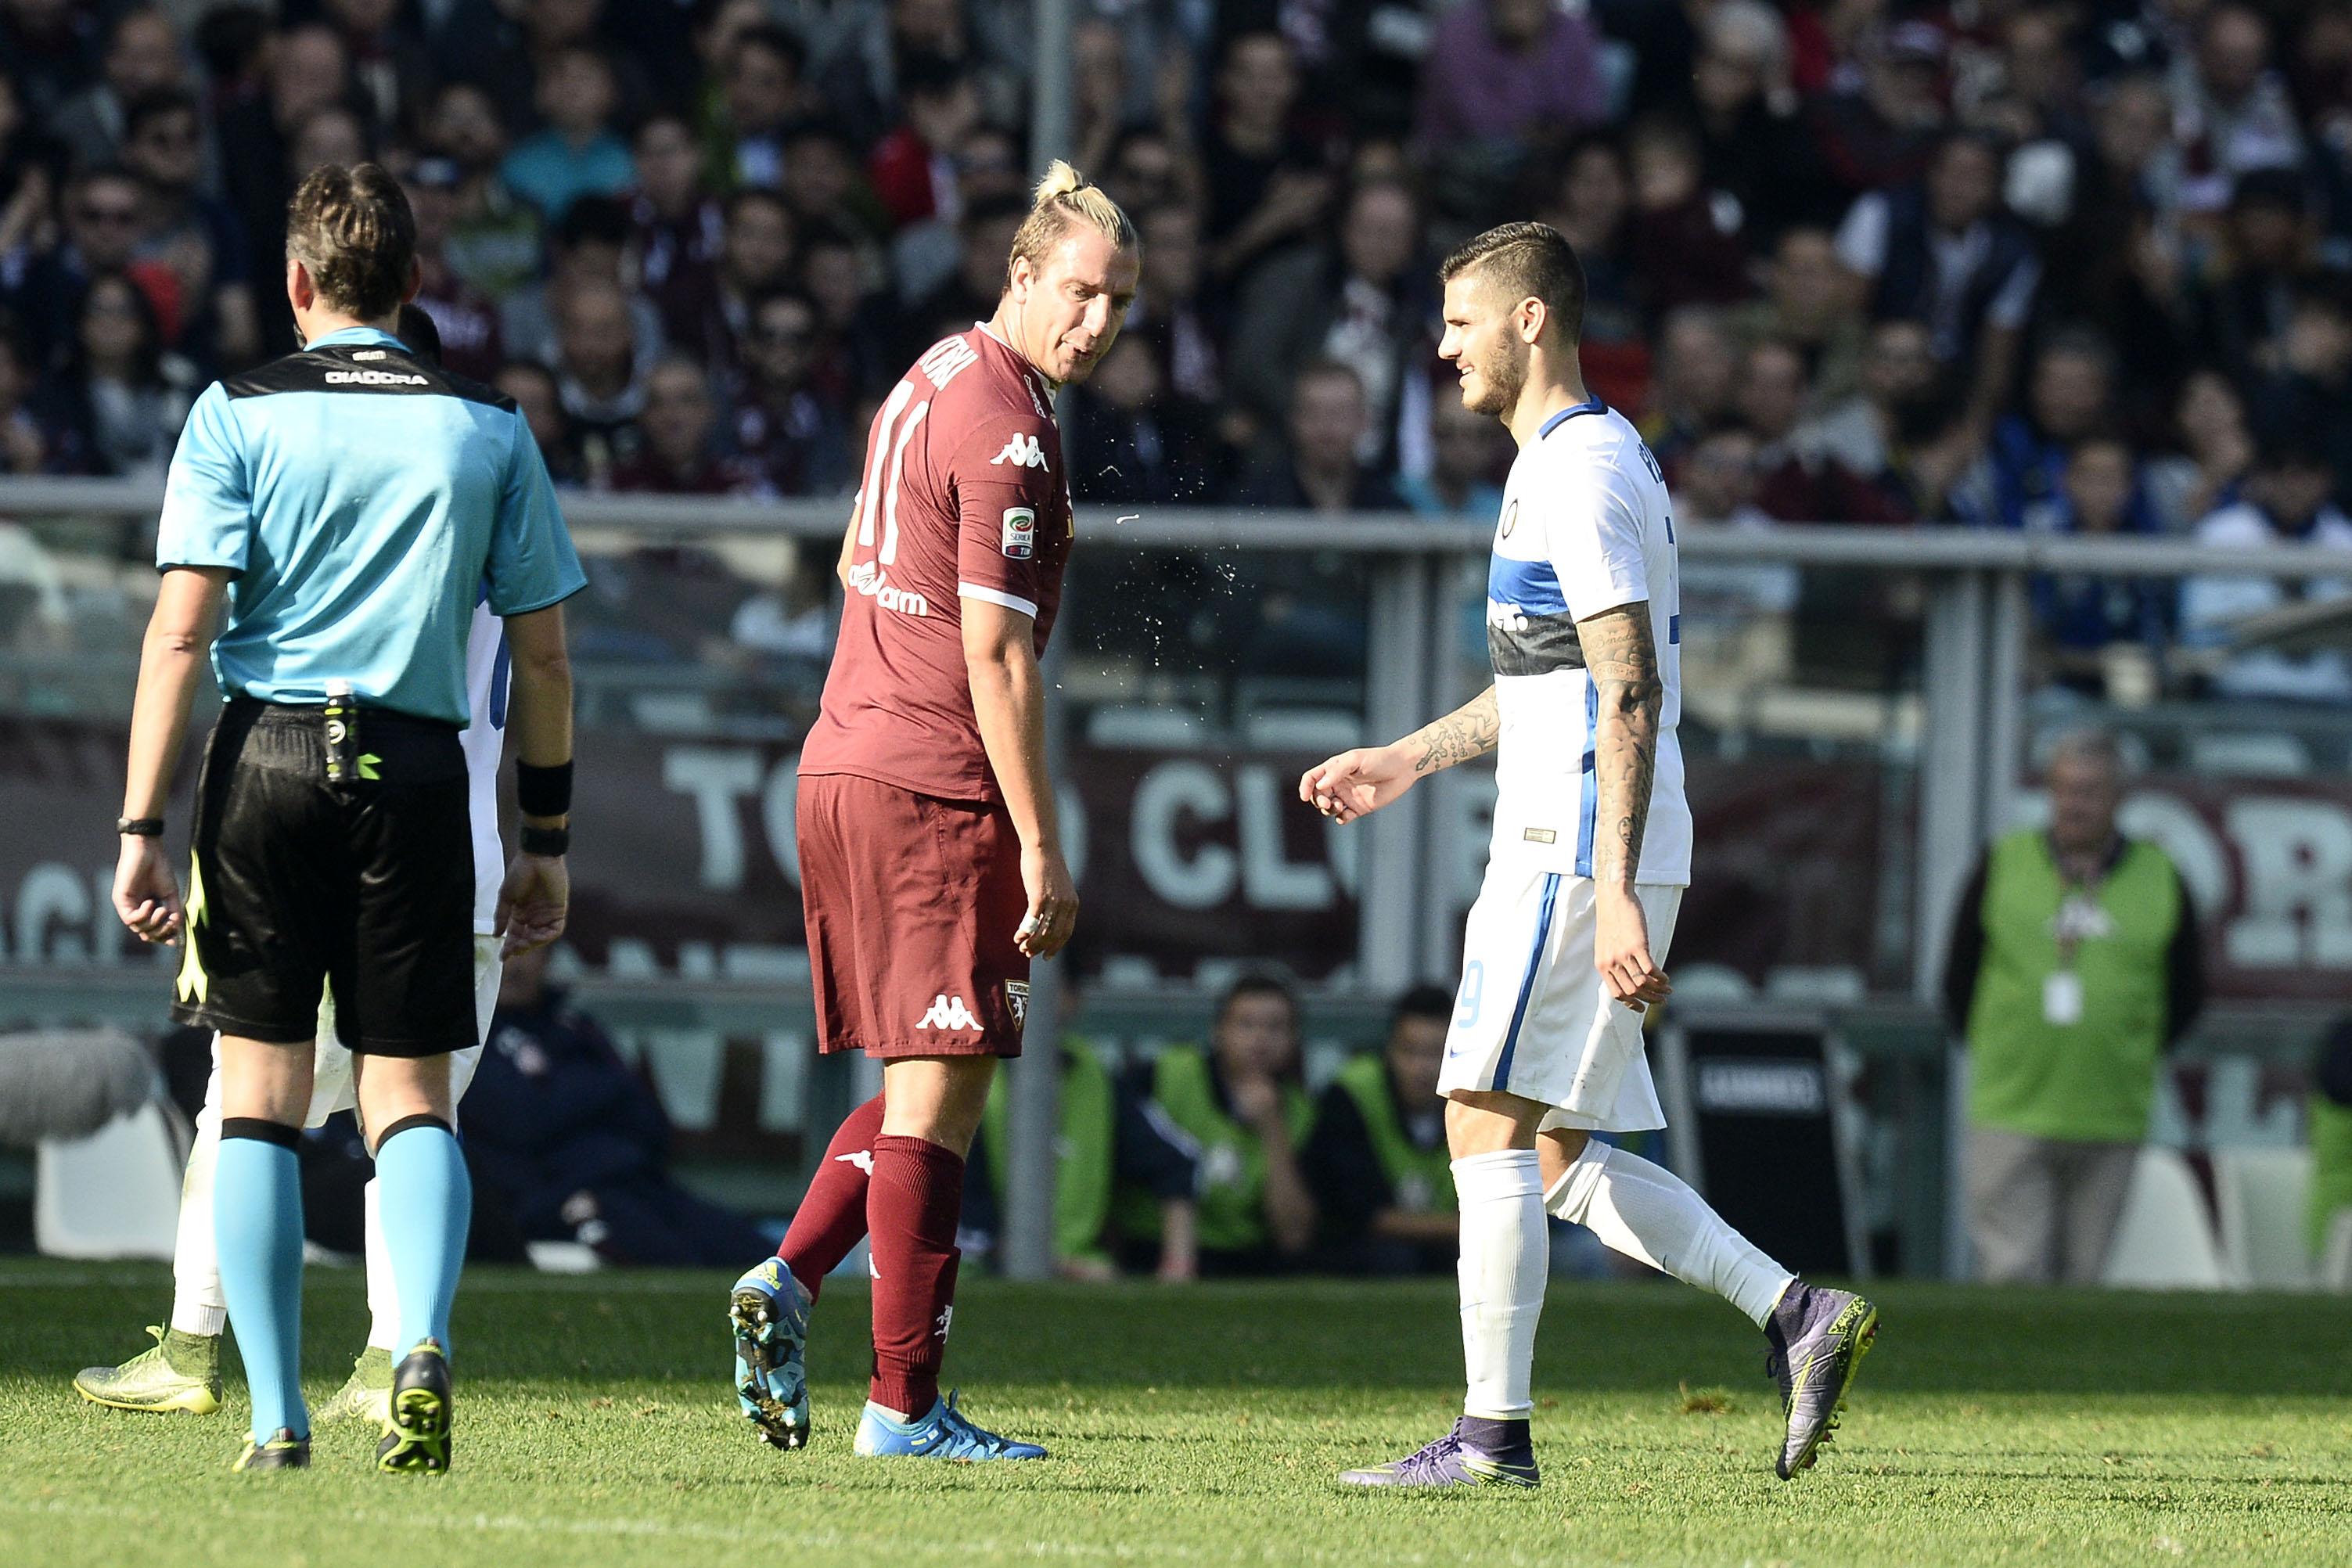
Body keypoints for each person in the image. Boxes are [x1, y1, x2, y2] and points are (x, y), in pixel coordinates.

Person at [1302, 220, 1875, 1490]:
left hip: (1573, 845)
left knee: (1475, 1117)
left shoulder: (1579, 469)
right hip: (1582, 837)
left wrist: (1609, 882)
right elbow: (1547, 674)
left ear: (1527, 321)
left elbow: (1628, 687)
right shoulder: (1565, 460)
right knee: (1554, 1152)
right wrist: (1409, 756)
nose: (1440, 346)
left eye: (1459, 321)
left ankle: (1489, 1437)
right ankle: (1795, 1312)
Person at [106, 164, 584, 1473]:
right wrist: (543, 837)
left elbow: (178, 629)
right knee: (410, 1098)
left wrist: (140, 821)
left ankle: (274, 1413)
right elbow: (543, 664)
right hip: (419, 769)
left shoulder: (233, 412)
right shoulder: (488, 427)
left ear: (298, 284)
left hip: (265, 757)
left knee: (254, 1099)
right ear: (416, 285)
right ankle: (416, 1339)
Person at [725, 160, 1137, 1464]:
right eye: (1079, 292)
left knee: (930, 1083)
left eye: (1120, 301)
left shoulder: (934, 373)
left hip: (844, 759)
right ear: (1023, 275)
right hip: (928, 781)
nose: (1098, 322)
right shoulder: (1009, 426)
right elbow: (997, 653)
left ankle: (790, 1278)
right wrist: (1041, 835)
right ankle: (901, 1404)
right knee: (939, 1090)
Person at [1941, 730, 2205, 1286]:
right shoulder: (2005, 862)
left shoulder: (2160, 876)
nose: (2074, 804)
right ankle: (2005, 1374)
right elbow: (1957, 976)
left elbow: (2188, 991)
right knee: (2012, 1269)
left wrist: (2129, 1047)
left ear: (2118, 798)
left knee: (2085, 1278)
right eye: (2064, 790)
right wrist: (2002, 1045)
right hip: (2011, 1106)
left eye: (2089, 791)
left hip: (2109, 1111)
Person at [464, 941, 768, 1264]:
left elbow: (646, 1117)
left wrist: (560, 1094)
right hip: (560, 1201)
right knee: (675, 1264)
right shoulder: (465, 1041)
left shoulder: (574, 1027)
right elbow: (521, 1121)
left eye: (527, 951)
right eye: (501, 952)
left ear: (548, 958)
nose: (514, 967)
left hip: (635, 1183)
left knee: (758, 1257)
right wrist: (591, 1095)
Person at [1114, 975, 1319, 1278]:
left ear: (1294, 1041)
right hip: (1149, 1248)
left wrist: (1272, 1128)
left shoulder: (1303, 1113)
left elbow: (1293, 1236)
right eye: (1246, 1024)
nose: (1260, 1040)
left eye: (1275, 1028)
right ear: (1218, 1031)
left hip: (1243, 1262)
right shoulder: (1166, 1074)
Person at [1304, 984, 1458, 1275]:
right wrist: (1465, 1228)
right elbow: (1356, 1214)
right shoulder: (1352, 1095)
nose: (1422, 1068)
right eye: (1410, 1051)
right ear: (1389, 1049)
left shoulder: (1480, 1100)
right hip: (1369, 1254)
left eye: (1437, 1053)